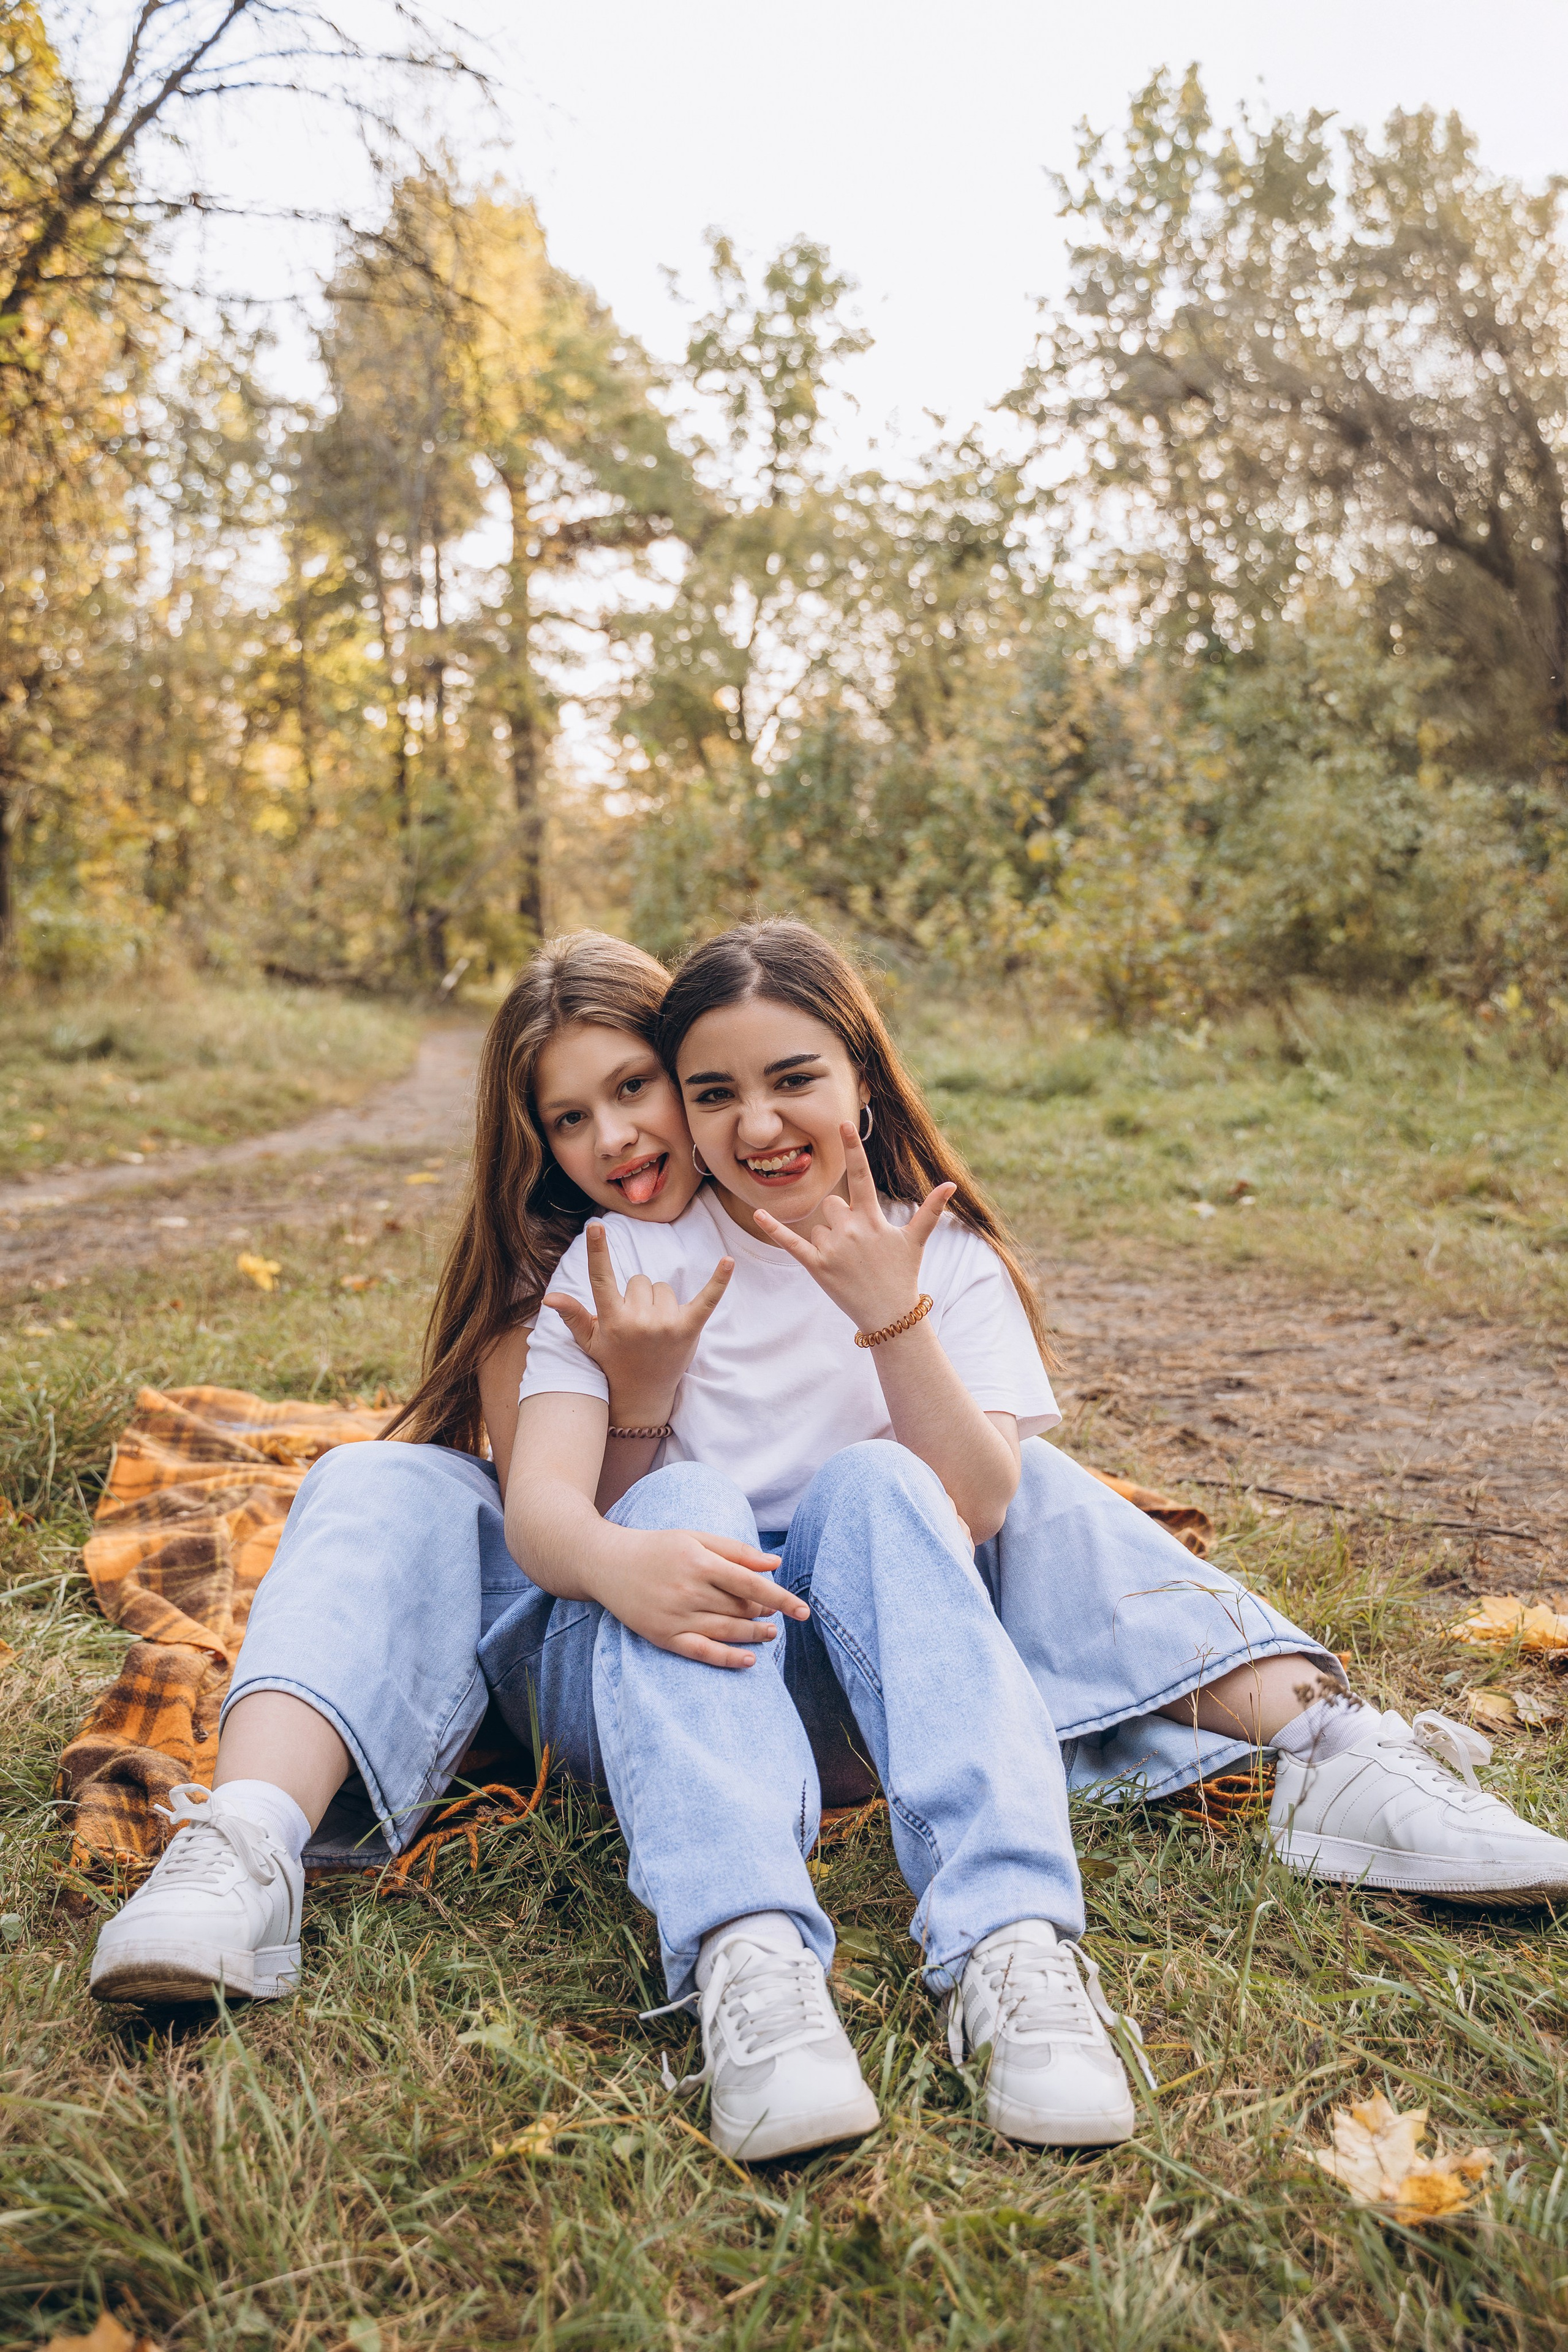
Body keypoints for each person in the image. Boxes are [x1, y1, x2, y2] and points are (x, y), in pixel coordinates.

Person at [88, 925, 1568, 2160]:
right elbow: (561, 1514)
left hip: (871, 1645)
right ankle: (286, 1854)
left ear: (855, 1074)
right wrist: (639, 1424)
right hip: (661, 1660)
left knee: (948, 1478)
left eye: (643, 1090)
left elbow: (972, 1506)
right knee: (561, 1496)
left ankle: (1280, 1770)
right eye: (584, 1115)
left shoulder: (932, 1252)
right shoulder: (602, 1266)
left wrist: (885, 1313)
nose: (638, 1135)